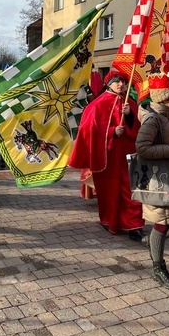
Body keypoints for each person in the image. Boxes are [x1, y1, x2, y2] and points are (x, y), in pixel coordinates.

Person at [68, 69, 144, 240]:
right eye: (117, 81)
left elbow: (137, 128)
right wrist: (111, 132)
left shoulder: (129, 102)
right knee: (110, 192)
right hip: (108, 158)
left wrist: (130, 115)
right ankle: (109, 220)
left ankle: (134, 225)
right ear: (109, 83)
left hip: (127, 156)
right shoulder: (96, 104)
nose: (121, 84)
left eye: (124, 82)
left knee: (131, 190)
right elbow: (88, 130)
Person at [136, 72, 169, 290]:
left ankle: (151, 241)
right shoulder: (153, 119)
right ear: (164, 97)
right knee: (162, 223)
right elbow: (142, 148)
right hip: (159, 180)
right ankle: (158, 268)